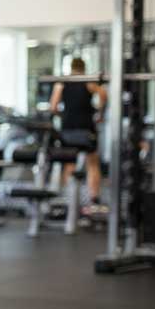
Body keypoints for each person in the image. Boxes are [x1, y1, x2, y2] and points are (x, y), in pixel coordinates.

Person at [49, 57, 104, 205]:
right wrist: (100, 113)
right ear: (83, 68)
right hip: (86, 128)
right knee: (92, 163)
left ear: (71, 67)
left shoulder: (62, 82)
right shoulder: (88, 81)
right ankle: (94, 197)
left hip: (68, 128)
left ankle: (68, 198)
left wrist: (64, 115)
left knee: (69, 163)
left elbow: (53, 107)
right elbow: (103, 94)